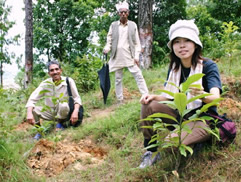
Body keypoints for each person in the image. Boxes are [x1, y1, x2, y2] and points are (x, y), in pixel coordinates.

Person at [139, 20, 222, 168]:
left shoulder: (208, 66)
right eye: (177, 42)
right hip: (181, 115)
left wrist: (201, 94)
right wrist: (153, 97)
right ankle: (150, 152)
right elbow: (171, 97)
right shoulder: (175, 69)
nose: (182, 45)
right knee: (148, 106)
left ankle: (199, 141)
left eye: (187, 40)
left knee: (171, 144)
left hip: (202, 119)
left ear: (195, 44)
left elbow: (216, 99)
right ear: (173, 47)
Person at [103, 1, 149, 104]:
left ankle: (145, 95)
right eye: (121, 12)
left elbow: (137, 42)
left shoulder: (132, 25)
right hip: (116, 55)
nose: (123, 14)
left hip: (129, 55)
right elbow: (109, 39)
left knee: (138, 74)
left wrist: (137, 56)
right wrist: (107, 48)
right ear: (118, 13)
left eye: (125, 12)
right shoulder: (113, 25)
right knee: (118, 78)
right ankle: (120, 100)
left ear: (128, 13)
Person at [26, 60, 82, 140]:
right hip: (50, 112)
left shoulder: (68, 81)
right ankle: (40, 131)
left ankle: (60, 124)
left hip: (64, 111)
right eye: (52, 70)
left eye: (56, 69)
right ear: (49, 73)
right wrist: (29, 113)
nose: (55, 72)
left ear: (60, 70)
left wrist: (76, 111)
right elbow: (32, 99)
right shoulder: (45, 84)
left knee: (63, 104)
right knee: (32, 110)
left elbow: (77, 98)